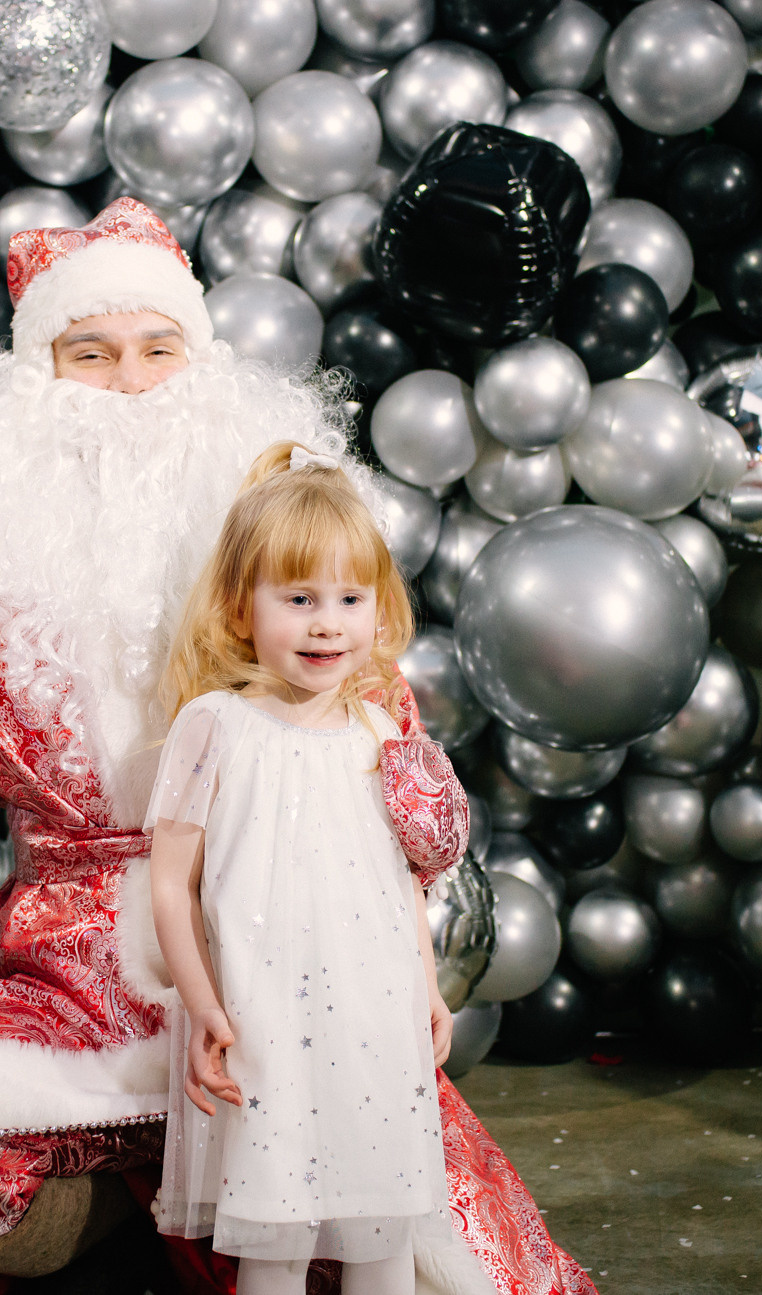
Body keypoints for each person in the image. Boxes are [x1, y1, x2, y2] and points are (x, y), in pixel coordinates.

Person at [0, 198, 591, 1295]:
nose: (133, 382)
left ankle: (193, 1222)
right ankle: (132, 1211)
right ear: (31, 381)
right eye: (89, 353)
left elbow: (391, 770)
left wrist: (414, 809)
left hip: (284, 969)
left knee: (383, 1252)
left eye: (158, 348)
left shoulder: (283, 551)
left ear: (203, 364)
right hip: (63, 985)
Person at [148, 441, 461, 1295]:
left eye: (350, 598)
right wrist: (206, 1006)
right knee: (276, 1242)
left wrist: (426, 986)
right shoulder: (216, 726)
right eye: (298, 598)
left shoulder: (378, 733)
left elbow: (402, 884)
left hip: (371, 1020)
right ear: (241, 608)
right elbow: (170, 883)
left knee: (381, 1235)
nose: (328, 622)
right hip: (267, 1020)